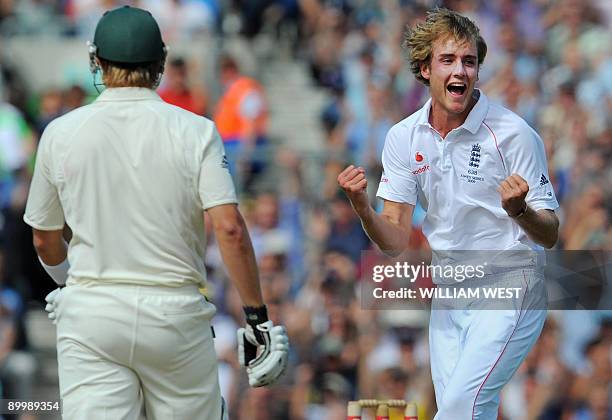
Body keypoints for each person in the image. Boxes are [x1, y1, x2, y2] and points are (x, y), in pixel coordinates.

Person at [23, 6, 288, 420]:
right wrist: (257, 319)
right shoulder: (196, 130)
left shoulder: (60, 132)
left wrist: (68, 281)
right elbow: (230, 229)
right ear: (161, 62)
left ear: (97, 61)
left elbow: (44, 236)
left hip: (92, 315)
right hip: (175, 316)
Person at [337, 8, 560, 419]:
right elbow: (395, 240)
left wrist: (521, 210)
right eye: (449, 60)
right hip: (449, 291)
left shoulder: (514, 134)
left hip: (512, 284)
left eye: (470, 61)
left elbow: (549, 233)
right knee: (468, 410)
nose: (462, 70)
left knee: (460, 408)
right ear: (425, 69)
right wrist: (362, 208)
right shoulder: (403, 136)